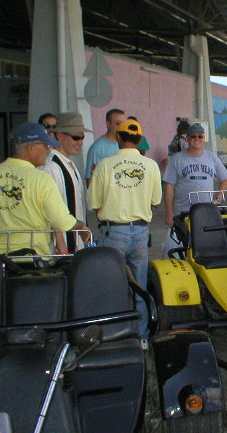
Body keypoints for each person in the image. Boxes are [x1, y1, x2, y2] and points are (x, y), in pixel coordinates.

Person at [87, 118, 162, 338]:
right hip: (140, 233)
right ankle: (141, 338)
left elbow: (94, 205)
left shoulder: (104, 165)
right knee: (139, 287)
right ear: (139, 140)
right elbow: (156, 202)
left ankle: (113, 336)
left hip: (113, 232)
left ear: (118, 138)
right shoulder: (151, 166)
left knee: (110, 286)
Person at [0, 122, 89, 256]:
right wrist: (81, 226)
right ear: (31, 147)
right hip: (32, 259)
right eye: (46, 146)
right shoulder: (41, 179)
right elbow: (61, 221)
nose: (49, 150)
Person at [162, 123, 227, 257]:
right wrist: (169, 213)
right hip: (182, 214)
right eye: (193, 136)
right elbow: (169, 186)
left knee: (203, 251)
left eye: (200, 136)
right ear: (187, 138)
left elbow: (225, 178)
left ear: (204, 138)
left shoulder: (212, 157)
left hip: (205, 214)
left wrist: (218, 198)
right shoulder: (177, 159)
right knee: (174, 251)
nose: (197, 139)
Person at [41, 112, 91, 253]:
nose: (80, 142)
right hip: (61, 248)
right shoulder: (51, 166)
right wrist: (60, 245)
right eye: (76, 137)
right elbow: (50, 209)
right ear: (60, 136)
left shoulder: (68, 163)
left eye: (82, 137)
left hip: (74, 243)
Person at [84, 108, 125, 186]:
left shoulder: (125, 145)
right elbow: (89, 181)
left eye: (124, 124)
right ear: (108, 124)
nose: (121, 127)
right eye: (118, 123)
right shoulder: (96, 148)